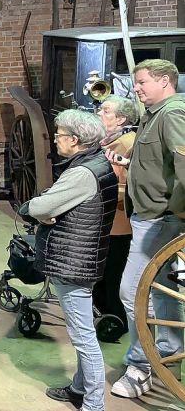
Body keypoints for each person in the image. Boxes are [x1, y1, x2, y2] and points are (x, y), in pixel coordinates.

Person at [20, 110, 117, 411]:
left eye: (60, 135)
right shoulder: (97, 163)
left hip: (72, 262)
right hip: (82, 257)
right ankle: (78, 389)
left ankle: (94, 405)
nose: (57, 140)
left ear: (75, 141)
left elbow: (41, 205)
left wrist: (33, 208)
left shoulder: (82, 174)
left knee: (83, 337)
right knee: (81, 331)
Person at [105, 59, 185, 398]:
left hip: (161, 221)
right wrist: (129, 164)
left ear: (165, 81)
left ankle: (141, 367)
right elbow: (161, 163)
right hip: (153, 218)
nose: (135, 88)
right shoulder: (156, 114)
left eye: (141, 82)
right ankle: (167, 355)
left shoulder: (172, 114)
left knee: (133, 291)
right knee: (162, 294)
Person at [94, 95, 139, 337]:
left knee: (113, 275)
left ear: (121, 119)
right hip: (107, 220)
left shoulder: (126, 144)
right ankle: (105, 314)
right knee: (103, 273)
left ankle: (115, 321)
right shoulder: (110, 141)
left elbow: (129, 187)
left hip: (119, 223)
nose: (100, 114)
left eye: (106, 111)